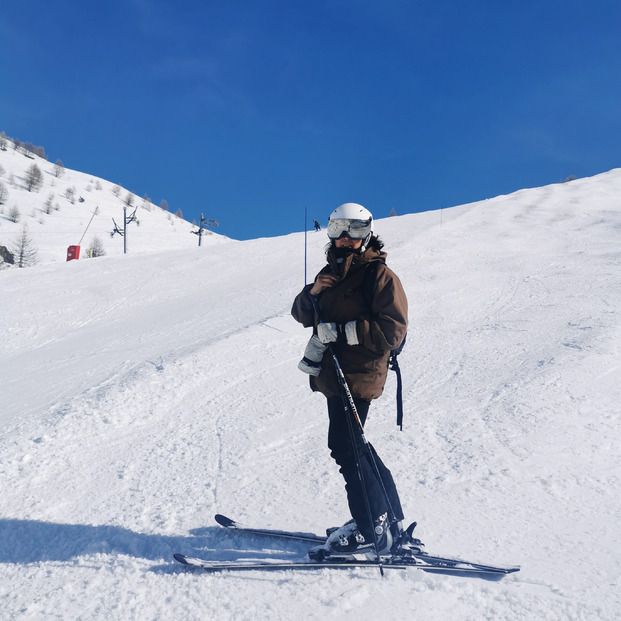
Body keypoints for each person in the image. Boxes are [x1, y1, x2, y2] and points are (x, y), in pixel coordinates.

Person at [292, 202, 408, 561]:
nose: (345, 239)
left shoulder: (379, 276)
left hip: (358, 373)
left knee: (345, 447)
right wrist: (313, 293)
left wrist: (344, 332)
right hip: (334, 373)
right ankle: (387, 518)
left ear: (368, 234)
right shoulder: (332, 274)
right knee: (354, 445)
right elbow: (301, 314)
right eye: (338, 229)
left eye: (354, 231)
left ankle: (371, 526)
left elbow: (394, 331)